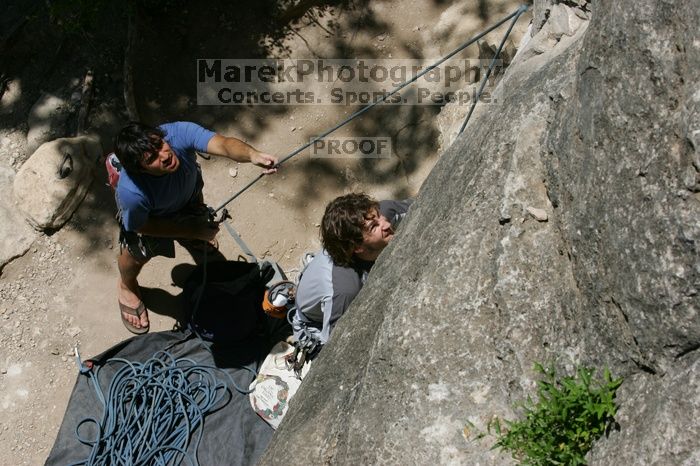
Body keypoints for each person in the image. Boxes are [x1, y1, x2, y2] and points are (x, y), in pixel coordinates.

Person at [114, 121, 277, 334]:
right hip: (154, 218)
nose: (164, 154)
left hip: (189, 199)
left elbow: (224, 144)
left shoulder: (178, 133)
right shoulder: (133, 193)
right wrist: (192, 230)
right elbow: (142, 226)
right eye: (151, 159)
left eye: (159, 144)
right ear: (139, 169)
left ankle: (194, 238)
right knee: (136, 254)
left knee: (198, 224)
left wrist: (253, 155)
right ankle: (126, 286)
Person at [292, 193, 411, 356]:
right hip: (314, 321)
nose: (385, 224)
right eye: (373, 227)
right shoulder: (345, 290)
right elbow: (336, 345)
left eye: (378, 216)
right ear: (357, 247)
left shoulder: (384, 213)